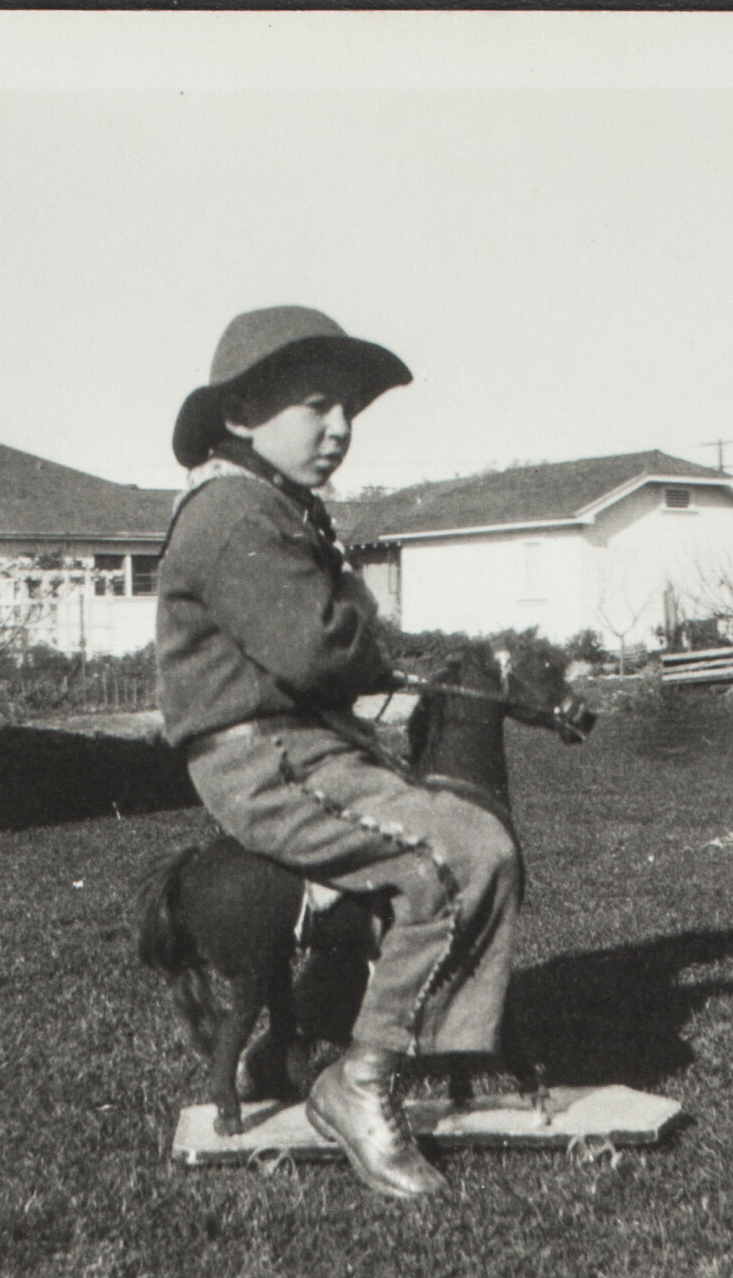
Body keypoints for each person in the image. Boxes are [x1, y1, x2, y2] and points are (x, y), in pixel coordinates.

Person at [156, 306, 522, 1200]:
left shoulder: (277, 507)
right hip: (267, 762)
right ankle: (359, 1083)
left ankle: (379, 1051)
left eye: (349, 410)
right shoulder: (235, 512)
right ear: (241, 415)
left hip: (309, 744)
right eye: (317, 405)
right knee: (463, 853)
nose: (340, 429)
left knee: (467, 834)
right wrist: (364, 617)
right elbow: (325, 650)